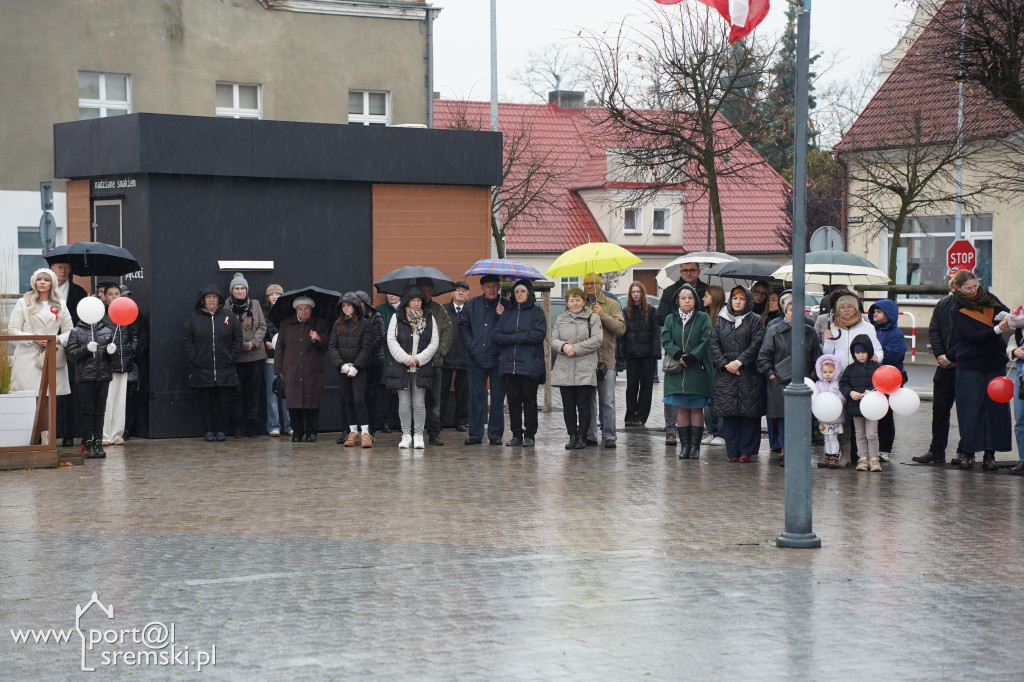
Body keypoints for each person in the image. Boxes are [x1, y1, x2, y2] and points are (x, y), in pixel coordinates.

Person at [948, 269, 1012, 470]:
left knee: (996, 409)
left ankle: (990, 454)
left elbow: (1005, 312)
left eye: (976, 285)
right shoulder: (956, 308)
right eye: (969, 288)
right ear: (958, 288)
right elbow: (971, 337)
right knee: (971, 410)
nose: (974, 290)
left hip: (994, 362)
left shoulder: (989, 298)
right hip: (970, 364)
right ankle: (968, 452)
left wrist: (1011, 316)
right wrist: (997, 329)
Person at [8, 269, 74, 445]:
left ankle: (47, 438)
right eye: (39, 279)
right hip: (28, 356)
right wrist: (33, 338)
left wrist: (57, 339)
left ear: (52, 283)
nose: (42, 282)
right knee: (30, 397)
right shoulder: (24, 302)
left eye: (46, 279)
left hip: (51, 354)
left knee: (47, 398)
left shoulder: (60, 303)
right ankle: (28, 438)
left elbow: (70, 331)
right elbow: (12, 331)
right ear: (33, 282)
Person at [757, 292, 821, 465]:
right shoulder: (773, 331)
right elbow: (763, 358)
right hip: (779, 383)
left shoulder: (810, 333)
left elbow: (817, 359)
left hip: (804, 383)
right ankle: (787, 451)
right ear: (785, 311)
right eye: (791, 309)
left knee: (801, 419)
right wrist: (771, 375)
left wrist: (813, 378)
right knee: (783, 419)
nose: (795, 313)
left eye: (798, 309)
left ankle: (800, 452)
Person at [822, 290, 883, 467]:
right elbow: (827, 355)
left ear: (856, 308)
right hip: (841, 379)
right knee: (842, 419)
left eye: (850, 306)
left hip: (863, 377)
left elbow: (878, 350)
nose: (846, 310)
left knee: (863, 419)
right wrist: (827, 340)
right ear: (837, 309)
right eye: (842, 307)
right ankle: (846, 454)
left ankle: (866, 456)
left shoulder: (867, 327)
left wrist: (875, 358)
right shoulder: (832, 327)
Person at [709, 285, 766, 463]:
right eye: (735, 298)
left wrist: (739, 362)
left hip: (748, 374)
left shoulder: (755, 320)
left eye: (741, 298)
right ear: (730, 300)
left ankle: (746, 451)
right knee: (729, 415)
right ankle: (732, 451)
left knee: (748, 415)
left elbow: (757, 344)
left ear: (747, 300)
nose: (738, 302)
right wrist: (726, 364)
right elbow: (713, 344)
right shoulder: (721, 319)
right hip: (726, 374)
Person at [913, 278, 965, 464]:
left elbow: (967, 335)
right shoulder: (943, 304)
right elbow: (933, 330)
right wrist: (940, 356)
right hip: (943, 366)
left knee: (965, 410)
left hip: (965, 365)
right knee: (940, 409)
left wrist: (951, 357)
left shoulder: (974, 305)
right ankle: (936, 450)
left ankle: (965, 450)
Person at [181, 285, 241, 442]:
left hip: (225, 368)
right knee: (205, 402)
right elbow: (187, 339)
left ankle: (221, 430)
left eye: (214, 297)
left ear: (219, 300)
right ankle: (208, 430)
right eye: (208, 297)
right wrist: (195, 357)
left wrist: (232, 356)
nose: (212, 300)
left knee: (224, 402)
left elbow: (237, 337)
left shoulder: (228, 316)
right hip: (202, 368)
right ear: (203, 300)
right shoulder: (194, 318)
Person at [661, 284, 714, 459]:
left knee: (696, 409)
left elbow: (706, 339)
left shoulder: (703, 317)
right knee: (681, 408)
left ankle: (695, 447)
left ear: (695, 300)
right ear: (678, 300)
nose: (687, 301)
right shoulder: (670, 318)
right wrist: (678, 354)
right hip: (676, 369)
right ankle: (685, 446)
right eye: (683, 298)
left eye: (690, 298)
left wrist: (693, 356)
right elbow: (666, 338)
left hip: (697, 369)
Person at [657, 262, 708, 444]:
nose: (688, 273)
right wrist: (678, 352)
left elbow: (707, 333)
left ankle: (695, 443)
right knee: (675, 399)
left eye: (692, 270)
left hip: (697, 357)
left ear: (698, 272)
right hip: (676, 351)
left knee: (696, 404)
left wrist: (693, 355)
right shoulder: (670, 291)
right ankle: (672, 430)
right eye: (685, 270)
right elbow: (660, 318)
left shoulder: (706, 290)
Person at [494, 278, 547, 447]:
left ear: (529, 293)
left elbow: (538, 334)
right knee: (513, 400)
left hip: (530, 364)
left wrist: (513, 338)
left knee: (529, 400)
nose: (519, 294)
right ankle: (516, 434)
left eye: (522, 291)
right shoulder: (507, 313)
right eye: (516, 292)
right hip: (509, 364)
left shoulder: (536, 312)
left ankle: (530, 434)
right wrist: (517, 338)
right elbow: (497, 336)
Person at [386, 286, 440, 449]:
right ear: (407, 302)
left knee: (418, 403)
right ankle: (406, 435)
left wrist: (418, 359)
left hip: (420, 367)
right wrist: (405, 358)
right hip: (401, 366)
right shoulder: (398, 317)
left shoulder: (429, 317)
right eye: (413, 300)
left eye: (419, 301)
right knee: (403, 403)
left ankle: (418, 435)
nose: (416, 304)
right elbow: (391, 340)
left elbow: (434, 342)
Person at [458, 274, 509, 445]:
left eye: (495, 286)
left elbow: (511, 329)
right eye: (488, 286)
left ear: (499, 287)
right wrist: (471, 346)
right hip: (476, 359)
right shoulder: (471, 304)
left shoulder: (506, 305)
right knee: (476, 398)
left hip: (498, 359)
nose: (492, 289)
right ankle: (475, 434)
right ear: (482, 288)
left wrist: (502, 316)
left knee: (497, 399)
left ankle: (495, 435)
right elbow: (463, 326)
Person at [550, 287, 603, 449]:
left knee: (584, 405)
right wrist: (564, 346)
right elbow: (553, 339)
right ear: (567, 302)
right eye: (571, 300)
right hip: (564, 368)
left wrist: (576, 348)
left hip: (584, 368)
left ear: (584, 301)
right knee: (568, 405)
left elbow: (597, 340)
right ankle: (572, 435)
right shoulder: (561, 318)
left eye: (578, 300)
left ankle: (582, 436)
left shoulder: (592, 318)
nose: (574, 303)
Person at [274, 296, 328, 442]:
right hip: (291, 370)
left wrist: (319, 338)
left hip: (313, 369)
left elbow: (329, 344)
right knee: (293, 402)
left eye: (307, 309)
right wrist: (278, 369)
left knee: (312, 402)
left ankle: (312, 432)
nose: (304, 312)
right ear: (295, 310)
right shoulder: (286, 324)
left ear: (311, 310)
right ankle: (297, 432)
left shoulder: (320, 323)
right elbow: (280, 347)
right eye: (300, 309)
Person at [66, 302, 115, 458]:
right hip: (86, 377)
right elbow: (72, 355)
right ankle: (86, 441)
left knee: (100, 411)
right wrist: (86, 349)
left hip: (103, 376)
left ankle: (98, 442)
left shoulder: (107, 331)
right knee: (87, 411)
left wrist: (112, 352)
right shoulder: (76, 332)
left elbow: (114, 358)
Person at [582, 273, 625, 448]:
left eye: (593, 283)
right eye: (586, 283)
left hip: (606, 360)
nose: (589, 286)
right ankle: (590, 435)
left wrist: (602, 315)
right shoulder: (580, 303)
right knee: (588, 400)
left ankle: (609, 435)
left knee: (607, 400)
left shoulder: (611, 304)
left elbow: (621, 328)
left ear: (601, 285)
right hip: (585, 360)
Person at [329, 292, 376, 448]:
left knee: (359, 399)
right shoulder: (337, 324)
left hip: (359, 369)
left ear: (355, 307)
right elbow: (332, 347)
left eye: (348, 305)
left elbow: (367, 348)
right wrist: (342, 365)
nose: (345, 308)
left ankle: (365, 433)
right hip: (343, 369)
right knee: (348, 400)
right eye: (343, 306)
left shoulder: (366, 324)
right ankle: (353, 431)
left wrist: (356, 366)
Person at [49, 261, 87, 447]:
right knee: (49, 390)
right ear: (51, 270)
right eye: (58, 267)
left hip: (71, 347)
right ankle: (48, 432)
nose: (62, 271)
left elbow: (81, 321)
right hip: (48, 346)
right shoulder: (43, 292)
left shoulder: (79, 293)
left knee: (70, 390)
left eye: (66, 267)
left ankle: (69, 433)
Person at [226, 273, 267, 438]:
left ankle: (252, 424)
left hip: (256, 355)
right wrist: (242, 345)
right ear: (232, 290)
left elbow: (262, 326)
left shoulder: (255, 304)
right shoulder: (225, 307)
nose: (240, 291)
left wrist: (253, 343)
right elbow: (225, 331)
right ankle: (238, 425)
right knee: (237, 391)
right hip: (236, 356)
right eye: (237, 288)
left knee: (253, 391)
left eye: (243, 288)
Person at [868, 299, 907, 462]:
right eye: (874, 311)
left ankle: (885, 449)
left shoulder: (896, 335)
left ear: (889, 315)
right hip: (872, 377)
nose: (875, 314)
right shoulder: (872, 331)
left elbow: (892, 356)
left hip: (888, 379)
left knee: (885, 415)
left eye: (879, 311)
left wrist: (877, 357)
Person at [416, 279, 453, 446]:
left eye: (429, 290)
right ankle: (415, 432)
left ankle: (434, 433)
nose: (426, 293)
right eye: (423, 289)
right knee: (417, 400)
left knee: (435, 400)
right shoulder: (410, 309)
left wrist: (440, 351)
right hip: (415, 362)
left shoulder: (439, 310)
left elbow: (448, 331)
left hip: (435, 362)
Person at [840, 335, 885, 472]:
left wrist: (872, 391)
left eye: (863, 352)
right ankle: (863, 458)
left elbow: (882, 384)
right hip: (856, 406)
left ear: (869, 351)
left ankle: (874, 459)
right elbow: (843, 384)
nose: (860, 355)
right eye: (857, 352)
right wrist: (850, 393)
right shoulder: (850, 369)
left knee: (872, 434)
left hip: (872, 407)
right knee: (859, 434)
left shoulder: (877, 368)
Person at [619, 281, 660, 428]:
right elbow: (622, 334)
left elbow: (656, 333)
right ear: (630, 294)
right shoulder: (625, 311)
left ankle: (641, 417)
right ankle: (630, 415)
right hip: (631, 355)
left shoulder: (650, 310)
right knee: (631, 387)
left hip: (647, 355)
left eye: (638, 291)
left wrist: (655, 353)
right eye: (633, 292)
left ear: (642, 293)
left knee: (646, 388)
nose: (636, 294)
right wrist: (622, 353)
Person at [101, 282, 137, 446]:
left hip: (124, 362)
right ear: (105, 296)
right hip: (108, 362)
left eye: (117, 293)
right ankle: (104, 434)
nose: (114, 296)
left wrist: (131, 350)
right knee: (107, 400)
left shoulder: (127, 312)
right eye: (111, 294)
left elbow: (134, 334)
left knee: (120, 400)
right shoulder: (101, 313)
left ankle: (117, 434)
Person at [355, 290, 386, 437]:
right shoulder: (350, 318)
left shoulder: (375, 316)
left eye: (360, 303)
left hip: (373, 362)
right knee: (357, 397)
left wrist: (364, 351)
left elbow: (380, 337)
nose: (357, 306)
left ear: (366, 304)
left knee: (370, 396)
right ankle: (357, 428)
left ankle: (371, 429)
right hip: (357, 363)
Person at [262, 284, 291, 437]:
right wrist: (267, 343)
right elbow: (261, 332)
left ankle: (289, 425)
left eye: (277, 294)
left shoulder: (287, 314)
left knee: (287, 393)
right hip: (270, 359)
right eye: (271, 294)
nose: (274, 296)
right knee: (272, 394)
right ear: (268, 297)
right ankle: (273, 426)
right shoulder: (263, 313)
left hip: (287, 359)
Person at [699, 286, 726, 448]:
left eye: (706, 295)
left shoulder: (723, 318)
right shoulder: (705, 317)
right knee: (707, 400)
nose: (703, 298)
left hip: (719, 364)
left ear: (714, 297)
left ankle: (721, 433)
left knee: (720, 400)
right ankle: (712, 431)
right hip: (707, 364)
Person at [441, 281, 470, 432]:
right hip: (445, 357)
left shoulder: (471, 310)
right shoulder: (443, 310)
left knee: (463, 392)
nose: (460, 292)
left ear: (467, 294)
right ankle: (438, 421)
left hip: (465, 358)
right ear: (452, 293)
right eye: (457, 290)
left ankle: (461, 421)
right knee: (441, 391)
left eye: (464, 290)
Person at [813, 354, 846, 469]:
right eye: (825, 372)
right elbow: (816, 396)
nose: (827, 374)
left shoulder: (838, 384)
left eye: (831, 372)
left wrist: (836, 402)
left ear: (836, 371)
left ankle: (834, 456)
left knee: (833, 437)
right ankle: (827, 455)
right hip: (823, 416)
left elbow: (842, 397)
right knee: (826, 437)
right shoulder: (818, 384)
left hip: (835, 416)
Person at [377, 293, 402, 433]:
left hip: (403, 356)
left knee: (402, 391)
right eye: (389, 293)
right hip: (386, 356)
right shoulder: (380, 310)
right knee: (384, 391)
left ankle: (400, 422)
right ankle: (384, 422)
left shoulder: (406, 309)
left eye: (395, 293)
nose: (391, 296)